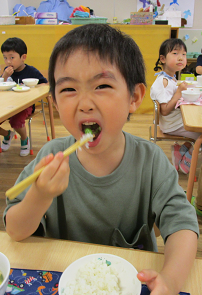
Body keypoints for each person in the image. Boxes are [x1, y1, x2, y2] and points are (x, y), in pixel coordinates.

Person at [4, 25, 199, 294]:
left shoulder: (150, 161)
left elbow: (183, 226)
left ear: (134, 97)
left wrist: (172, 280)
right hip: (64, 279)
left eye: (102, 85)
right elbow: (14, 230)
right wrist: (39, 195)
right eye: (69, 89)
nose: (84, 103)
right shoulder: (51, 156)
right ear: (56, 103)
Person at [151, 38, 202, 174]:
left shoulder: (170, 78)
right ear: (163, 59)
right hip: (171, 124)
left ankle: (182, 150)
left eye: (184, 54)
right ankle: (187, 161)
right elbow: (165, 111)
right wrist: (179, 93)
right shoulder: (163, 82)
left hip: (173, 121)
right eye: (175, 53)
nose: (180, 58)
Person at [0, 37, 47, 156]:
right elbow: (2, 85)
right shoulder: (7, 71)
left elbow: (45, 84)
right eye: (5, 58)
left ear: (23, 57)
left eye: (12, 57)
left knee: (16, 121)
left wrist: (34, 88)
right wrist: (4, 76)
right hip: (8, 104)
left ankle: (25, 138)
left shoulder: (31, 71)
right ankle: (7, 134)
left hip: (25, 105)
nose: (8, 61)